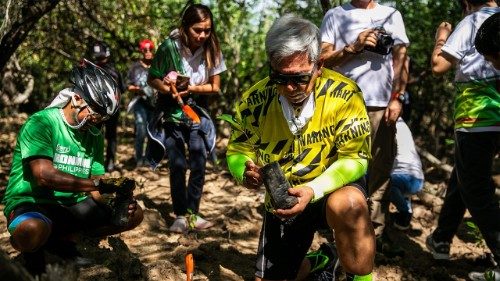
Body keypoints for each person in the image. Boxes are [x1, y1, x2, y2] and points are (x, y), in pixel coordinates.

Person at [225, 14, 375, 281]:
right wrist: (243, 171)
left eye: (299, 78)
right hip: (286, 199)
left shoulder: (345, 94)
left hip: (332, 188)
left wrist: (314, 189)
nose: (289, 87)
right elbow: (238, 149)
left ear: (319, 65)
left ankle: (359, 275)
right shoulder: (255, 101)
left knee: (350, 205)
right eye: (279, 78)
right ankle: (320, 262)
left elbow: (356, 159)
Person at [2, 59, 144, 277]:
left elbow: (96, 183)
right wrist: (98, 184)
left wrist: (114, 203)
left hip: (72, 205)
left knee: (133, 214)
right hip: (32, 202)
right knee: (32, 230)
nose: (98, 120)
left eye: (103, 117)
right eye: (96, 112)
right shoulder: (42, 123)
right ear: (77, 98)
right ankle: (31, 244)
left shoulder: (94, 133)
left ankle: (64, 239)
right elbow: (44, 175)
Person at [320, 0, 410, 257]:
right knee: (340, 170)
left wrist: (398, 96)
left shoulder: (392, 15)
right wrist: (354, 47)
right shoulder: (335, 15)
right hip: (341, 105)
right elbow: (322, 60)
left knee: (381, 172)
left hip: (381, 107)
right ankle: (341, 237)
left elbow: (401, 59)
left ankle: (375, 236)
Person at [425, 1, 500, 280]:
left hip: (476, 118)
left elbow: (438, 65)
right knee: (464, 177)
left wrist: (441, 36)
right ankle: (442, 238)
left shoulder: (470, 21)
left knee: (476, 189)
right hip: (494, 118)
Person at [146, 3, 226, 233]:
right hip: (171, 114)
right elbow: (153, 79)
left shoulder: (213, 49)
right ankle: (180, 214)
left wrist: (190, 89)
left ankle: (193, 212)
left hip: (197, 114)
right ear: (184, 28)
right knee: (178, 164)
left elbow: (215, 87)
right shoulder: (168, 48)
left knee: (199, 161)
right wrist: (168, 88)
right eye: (197, 30)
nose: (202, 35)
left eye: (207, 30)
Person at [91, 41, 126, 172]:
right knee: (95, 135)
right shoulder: (90, 69)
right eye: (98, 57)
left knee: (110, 136)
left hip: (112, 110)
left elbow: (122, 89)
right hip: (95, 110)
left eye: (101, 57)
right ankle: (95, 162)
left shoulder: (114, 70)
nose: (100, 60)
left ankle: (110, 162)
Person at [390, 118, 424, 230]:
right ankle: (405, 215)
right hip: (417, 178)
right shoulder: (400, 122)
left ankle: (405, 213)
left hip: (406, 177)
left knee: (383, 184)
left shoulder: (391, 123)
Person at [127, 39, 156, 168]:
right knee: (141, 129)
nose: (148, 52)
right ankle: (139, 158)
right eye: (145, 50)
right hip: (140, 102)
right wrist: (140, 89)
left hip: (154, 104)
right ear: (142, 51)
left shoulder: (157, 65)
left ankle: (149, 158)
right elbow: (128, 86)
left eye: (150, 50)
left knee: (151, 132)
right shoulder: (135, 67)